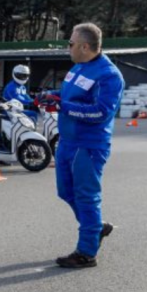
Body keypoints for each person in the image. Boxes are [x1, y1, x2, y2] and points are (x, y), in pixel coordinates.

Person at [53, 23, 124, 268]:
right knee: (66, 192)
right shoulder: (78, 68)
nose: (68, 47)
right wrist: (51, 96)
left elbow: (101, 113)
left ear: (85, 46)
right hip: (68, 142)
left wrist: (64, 107)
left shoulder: (109, 75)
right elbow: (69, 97)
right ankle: (95, 227)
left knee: (86, 196)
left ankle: (86, 252)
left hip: (88, 146)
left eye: (70, 43)